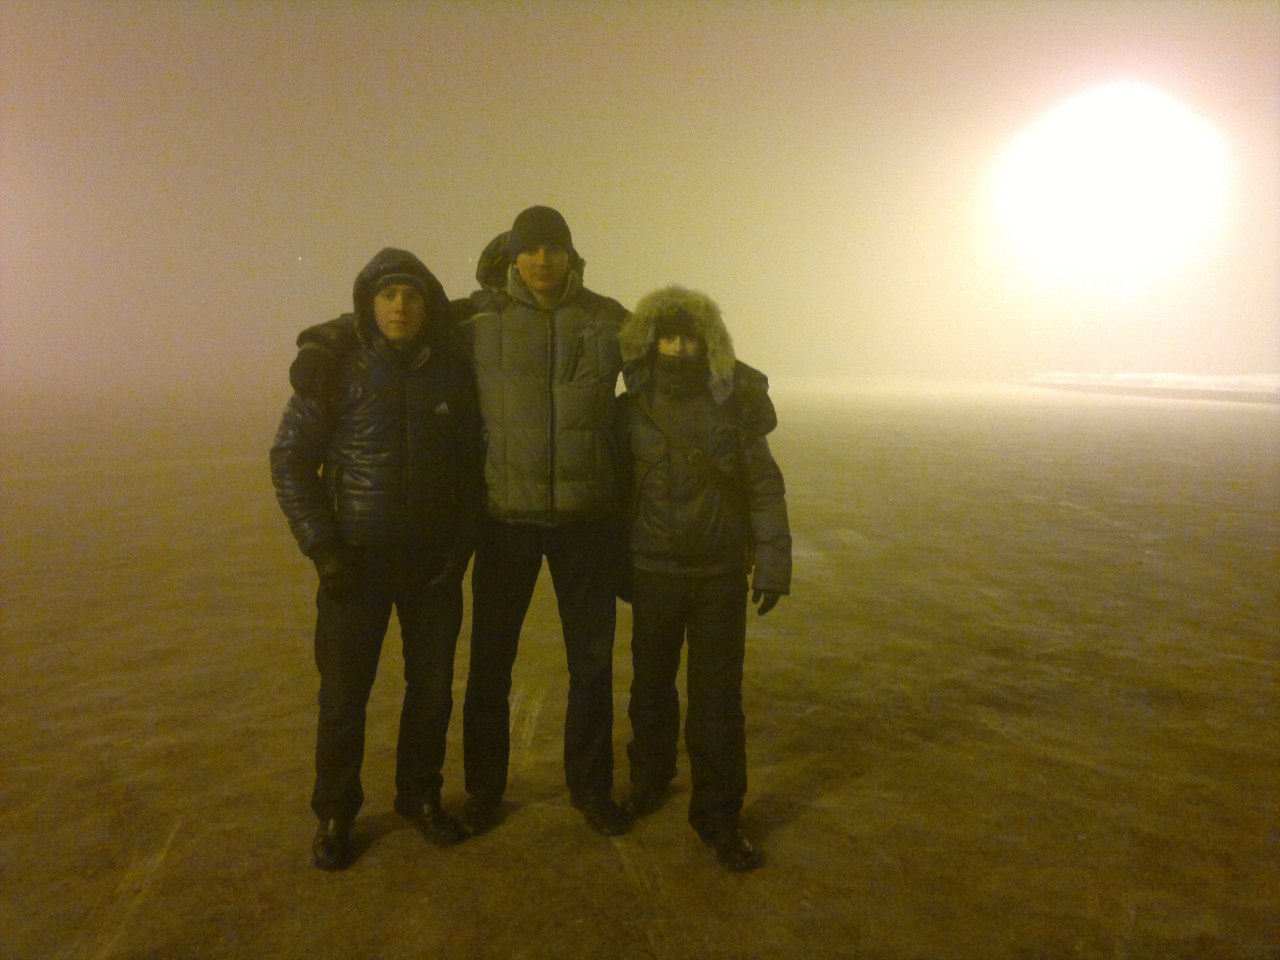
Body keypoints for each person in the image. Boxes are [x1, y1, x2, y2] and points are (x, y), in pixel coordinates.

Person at [287, 208, 632, 838]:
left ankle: (590, 787)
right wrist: (322, 343)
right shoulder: (476, 318)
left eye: (554, 248)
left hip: (584, 521)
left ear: (571, 256)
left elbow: (677, 346)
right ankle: (481, 790)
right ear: (513, 255)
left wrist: (743, 388)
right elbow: (387, 319)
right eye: (531, 248)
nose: (543, 260)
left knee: (590, 666)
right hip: (504, 522)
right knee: (486, 668)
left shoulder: (607, 320)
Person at [270, 248, 484, 870]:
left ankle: (420, 795)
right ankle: (336, 811)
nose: (400, 306)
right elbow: (289, 459)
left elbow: (474, 465)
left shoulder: (452, 372)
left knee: (432, 692)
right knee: (344, 697)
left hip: (432, 567)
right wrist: (324, 549)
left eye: (411, 296)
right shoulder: (337, 369)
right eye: (388, 295)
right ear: (369, 304)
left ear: (428, 305)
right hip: (354, 567)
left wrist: (461, 543)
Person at [613, 284, 792, 871]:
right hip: (653, 571)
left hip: (719, 576)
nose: (678, 348)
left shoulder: (733, 407)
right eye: (667, 336)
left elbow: (763, 486)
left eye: (689, 338)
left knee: (717, 700)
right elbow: (614, 492)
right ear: (649, 341)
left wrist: (773, 563)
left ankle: (718, 814)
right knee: (651, 687)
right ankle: (649, 778)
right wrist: (609, 564)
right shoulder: (631, 411)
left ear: (707, 342)